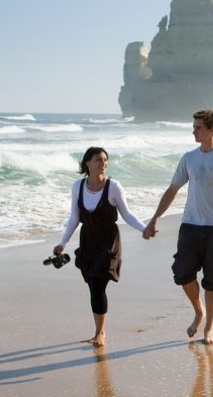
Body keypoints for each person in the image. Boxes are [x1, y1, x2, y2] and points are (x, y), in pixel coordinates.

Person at [143, 109, 213, 345]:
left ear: (211, 129)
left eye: (198, 127)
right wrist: (155, 217)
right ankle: (199, 311)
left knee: (212, 278)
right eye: (194, 126)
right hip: (189, 224)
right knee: (182, 273)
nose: (193, 130)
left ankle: (208, 328)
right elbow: (172, 190)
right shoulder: (189, 158)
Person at [53, 146, 147, 347]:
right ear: (88, 163)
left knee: (97, 283)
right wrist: (63, 243)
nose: (103, 163)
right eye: (98, 159)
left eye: (105, 160)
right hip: (87, 241)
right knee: (92, 285)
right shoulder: (77, 187)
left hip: (108, 240)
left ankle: (100, 333)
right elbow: (74, 217)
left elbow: (126, 214)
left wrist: (144, 229)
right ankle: (99, 330)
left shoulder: (113, 187)